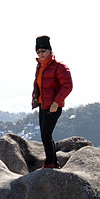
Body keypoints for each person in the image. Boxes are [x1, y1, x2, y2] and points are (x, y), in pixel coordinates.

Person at [32, 35, 73, 169]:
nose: (41, 54)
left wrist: (56, 102)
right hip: (43, 105)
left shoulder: (59, 67)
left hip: (53, 106)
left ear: (50, 51)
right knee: (45, 135)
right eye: (38, 51)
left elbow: (68, 85)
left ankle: (51, 164)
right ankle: (52, 162)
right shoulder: (40, 66)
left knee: (46, 134)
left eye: (43, 51)